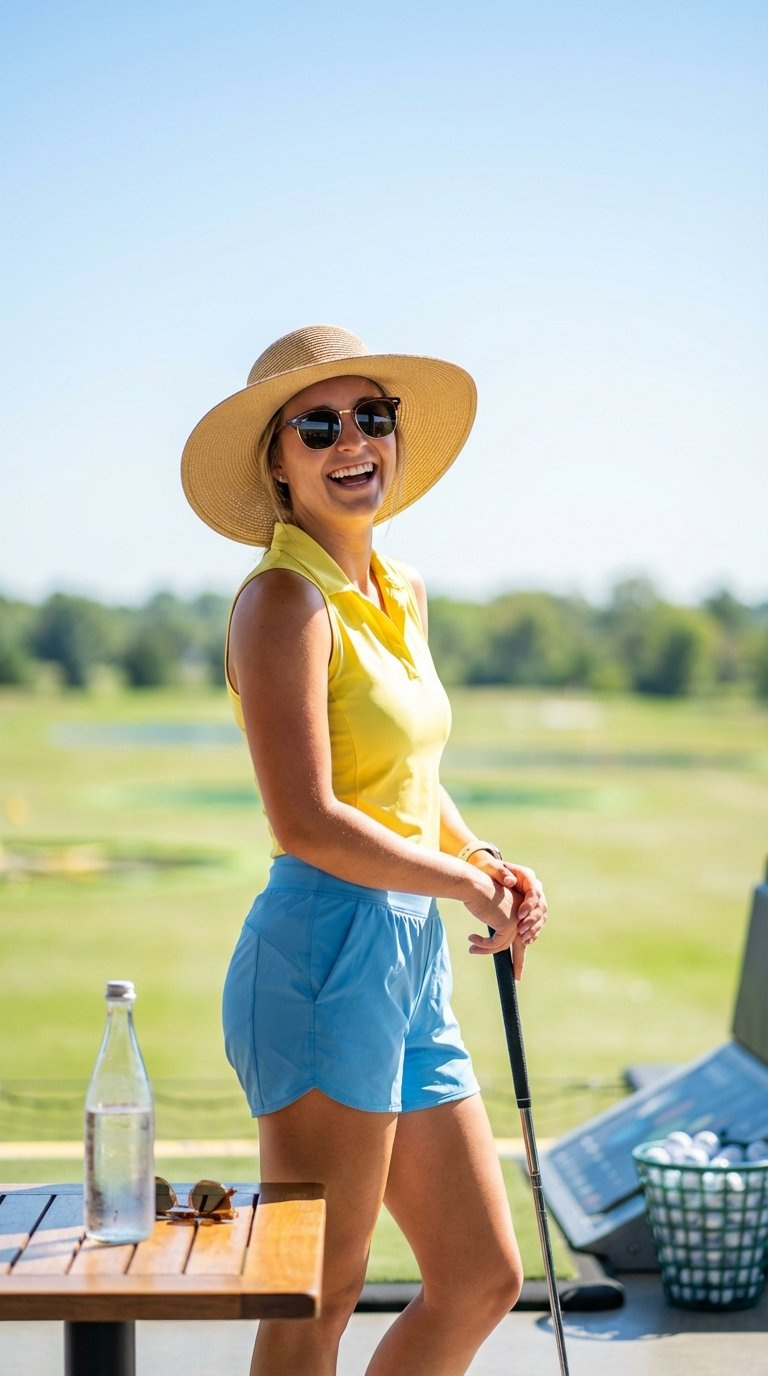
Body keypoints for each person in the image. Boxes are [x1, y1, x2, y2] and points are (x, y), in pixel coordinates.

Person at [181, 324, 548, 1376]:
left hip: (408, 951)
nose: (354, 441)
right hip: (319, 952)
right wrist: (464, 882)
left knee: (480, 1273)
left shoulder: (399, 589)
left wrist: (483, 856)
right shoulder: (281, 600)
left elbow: (407, 782)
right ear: (279, 460)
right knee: (319, 1293)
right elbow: (308, 818)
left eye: (372, 417)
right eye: (319, 423)